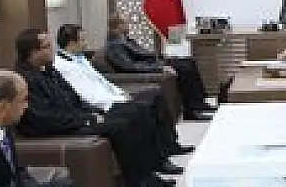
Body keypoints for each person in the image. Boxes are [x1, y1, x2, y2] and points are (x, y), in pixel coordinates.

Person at [14, 29, 168, 187]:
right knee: (121, 126)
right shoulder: (25, 80)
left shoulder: (49, 69)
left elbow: (74, 97)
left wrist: (92, 112)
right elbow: (44, 119)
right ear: (33, 52)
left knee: (135, 114)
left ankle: (146, 175)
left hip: (74, 118)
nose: (53, 50)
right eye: (47, 46)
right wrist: (86, 119)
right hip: (57, 128)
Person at [55, 24, 194, 156]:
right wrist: (119, 99)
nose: (86, 43)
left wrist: (121, 93)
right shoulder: (63, 66)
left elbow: (102, 81)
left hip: (113, 96)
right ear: (71, 43)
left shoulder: (80, 58)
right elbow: (87, 95)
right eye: (82, 40)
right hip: (104, 105)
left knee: (156, 95)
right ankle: (157, 156)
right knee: (143, 108)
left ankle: (170, 144)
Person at [105, 16, 215, 121]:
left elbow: (144, 54)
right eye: (125, 23)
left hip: (155, 62)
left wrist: (163, 58)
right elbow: (129, 66)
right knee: (184, 68)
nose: (128, 25)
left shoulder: (126, 40)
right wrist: (159, 68)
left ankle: (199, 103)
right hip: (149, 68)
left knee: (189, 62)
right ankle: (191, 111)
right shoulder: (114, 45)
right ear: (117, 26)